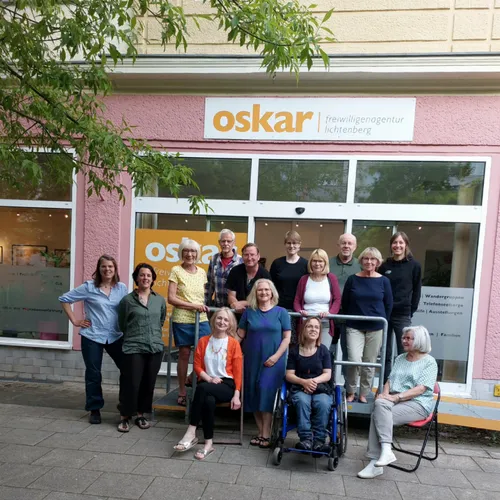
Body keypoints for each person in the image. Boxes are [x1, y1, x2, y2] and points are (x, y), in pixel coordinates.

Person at [358, 325, 438, 479]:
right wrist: (385, 394)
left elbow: (421, 389)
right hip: (394, 400)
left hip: (417, 403)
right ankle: (386, 451)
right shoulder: (400, 358)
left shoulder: (429, 362)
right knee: (380, 404)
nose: (404, 341)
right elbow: (390, 380)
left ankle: (376, 461)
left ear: (420, 340)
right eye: (404, 338)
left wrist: (396, 397)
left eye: (409, 338)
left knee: (378, 414)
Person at [59, 254, 128, 424]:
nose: (107, 269)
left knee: (127, 370)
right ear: (98, 269)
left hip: (115, 336)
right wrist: (75, 320)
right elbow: (64, 299)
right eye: (104, 266)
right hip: (92, 335)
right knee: (94, 374)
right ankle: (94, 409)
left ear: (115, 269)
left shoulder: (122, 288)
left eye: (110, 266)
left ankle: (126, 407)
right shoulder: (89, 287)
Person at [173, 308, 242, 460]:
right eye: (219, 318)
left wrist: (237, 394)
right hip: (208, 382)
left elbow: (238, 372)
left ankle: (191, 431)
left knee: (202, 389)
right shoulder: (203, 341)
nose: (222, 322)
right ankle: (208, 444)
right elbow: (197, 366)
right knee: (208, 401)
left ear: (230, 324)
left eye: (226, 320)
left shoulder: (233, 344)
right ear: (213, 320)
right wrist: (210, 379)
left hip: (227, 384)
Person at [237, 279, 291, 449]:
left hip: (273, 361)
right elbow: (240, 335)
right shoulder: (249, 312)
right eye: (260, 290)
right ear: (255, 293)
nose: (264, 293)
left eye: (267, 290)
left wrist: (276, 357)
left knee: (265, 392)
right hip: (251, 359)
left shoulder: (281, 312)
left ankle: (266, 433)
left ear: (272, 292)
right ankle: (261, 432)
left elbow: (287, 338)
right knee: (253, 392)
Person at [117, 263, 166, 432]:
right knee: (131, 382)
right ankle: (124, 416)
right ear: (136, 278)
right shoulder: (127, 300)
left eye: (148, 275)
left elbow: (161, 320)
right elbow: (122, 323)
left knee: (148, 383)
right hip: (133, 347)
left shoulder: (159, 300)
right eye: (142, 275)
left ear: (153, 279)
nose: (145, 278)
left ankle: (141, 414)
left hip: (154, 347)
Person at [342, 247, 393, 403]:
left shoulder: (384, 281)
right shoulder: (352, 279)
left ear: (378, 262)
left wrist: (381, 321)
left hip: (376, 327)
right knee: (353, 359)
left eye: (373, 259)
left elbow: (388, 304)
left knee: (369, 362)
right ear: (361, 260)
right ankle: (350, 391)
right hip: (354, 326)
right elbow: (345, 302)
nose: (369, 262)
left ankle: (364, 393)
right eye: (366, 259)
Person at [168, 239, 210, 407]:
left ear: (197, 254)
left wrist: (200, 307)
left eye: (193, 251)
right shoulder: (176, 270)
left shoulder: (202, 272)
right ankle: (182, 392)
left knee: (206, 352)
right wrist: (193, 306)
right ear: (181, 253)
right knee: (184, 354)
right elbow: (171, 298)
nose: (190, 254)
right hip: (183, 318)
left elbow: (203, 296)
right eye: (186, 251)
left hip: (201, 318)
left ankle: (191, 378)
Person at [379, 232, 422, 382]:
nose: (397, 246)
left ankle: (400, 385)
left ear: (406, 245)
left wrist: (411, 310)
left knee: (404, 351)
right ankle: (385, 385)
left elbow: (417, 290)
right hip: (384, 314)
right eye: (395, 243)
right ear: (391, 245)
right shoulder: (385, 265)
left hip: (402, 314)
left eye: (401, 243)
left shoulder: (414, 265)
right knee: (385, 353)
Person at [286, 316, 333, 452]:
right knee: (302, 401)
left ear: (319, 331)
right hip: (300, 387)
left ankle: (319, 440)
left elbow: (327, 374)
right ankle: (306, 439)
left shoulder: (323, 350)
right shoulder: (295, 351)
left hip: (321, 387)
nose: (313, 329)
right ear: (304, 329)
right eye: (310, 326)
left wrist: (312, 382)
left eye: (316, 327)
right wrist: (303, 382)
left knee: (323, 403)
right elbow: (289, 374)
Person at [293, 249, 341, 350]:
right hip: (306, 322)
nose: (317, 264)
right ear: (310, 263)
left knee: (322, 352)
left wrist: (330, 313)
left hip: (325, 323)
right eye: (314, 261)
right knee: (306, 352)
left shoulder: (331, 278)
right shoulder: (304, 279)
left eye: (320, 261)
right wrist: (300, 311)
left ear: (325, 263)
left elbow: (337, 300)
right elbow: (297, 300)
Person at [328, 234, 362, 368]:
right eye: (343, 243)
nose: (346, 246)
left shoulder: (360, 265)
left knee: (350, 354)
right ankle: (328, 384)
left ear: (355, 247)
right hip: (330, 314)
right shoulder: (328, 263)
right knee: (327, 350)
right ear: (338, 245)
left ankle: (348, 387)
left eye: (350, 243)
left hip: (350, 315)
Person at [270, 230, 308, 343]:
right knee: (280, 340)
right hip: (280, 308)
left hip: (300, 310)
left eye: (295, 243)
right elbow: (271, 286)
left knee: (297, 342)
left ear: (300, 244)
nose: (292, 246)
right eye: (289, 243)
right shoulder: (277, 263)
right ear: (285, 244)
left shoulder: (305, 264)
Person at [226, 243, 271, 313]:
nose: (249, 258)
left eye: (252, 255)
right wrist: (235, 304)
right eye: (246, 255)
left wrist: (244, 303)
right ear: (242, 257)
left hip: (257, 314)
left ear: (258, 256)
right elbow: (231, 295)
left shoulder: (265, 275)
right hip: (237, 313)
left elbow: (266, 299)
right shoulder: (235, 271)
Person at [205, 229, 243, 308]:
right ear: (219, 242)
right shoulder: (214, 259)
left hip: (235, 309)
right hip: (217, 307)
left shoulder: (241, 261)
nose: (226, 244)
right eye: (223, 241)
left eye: (229, 241)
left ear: (233, 243)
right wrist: (205, 304)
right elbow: (209, 285)